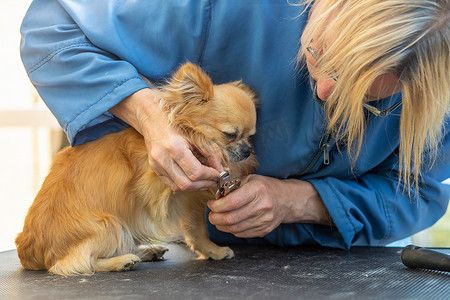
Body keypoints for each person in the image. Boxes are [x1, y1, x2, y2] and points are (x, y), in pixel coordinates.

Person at [19, 0, 450, 249]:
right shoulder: (218, 7)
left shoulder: (436, 89)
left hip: (350, 272)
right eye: (323, 58)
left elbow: (419, 193)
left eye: (366, 99)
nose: (322, 90)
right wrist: (153, 115)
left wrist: (301, 201)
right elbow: (52, 29)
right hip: (196, 256)